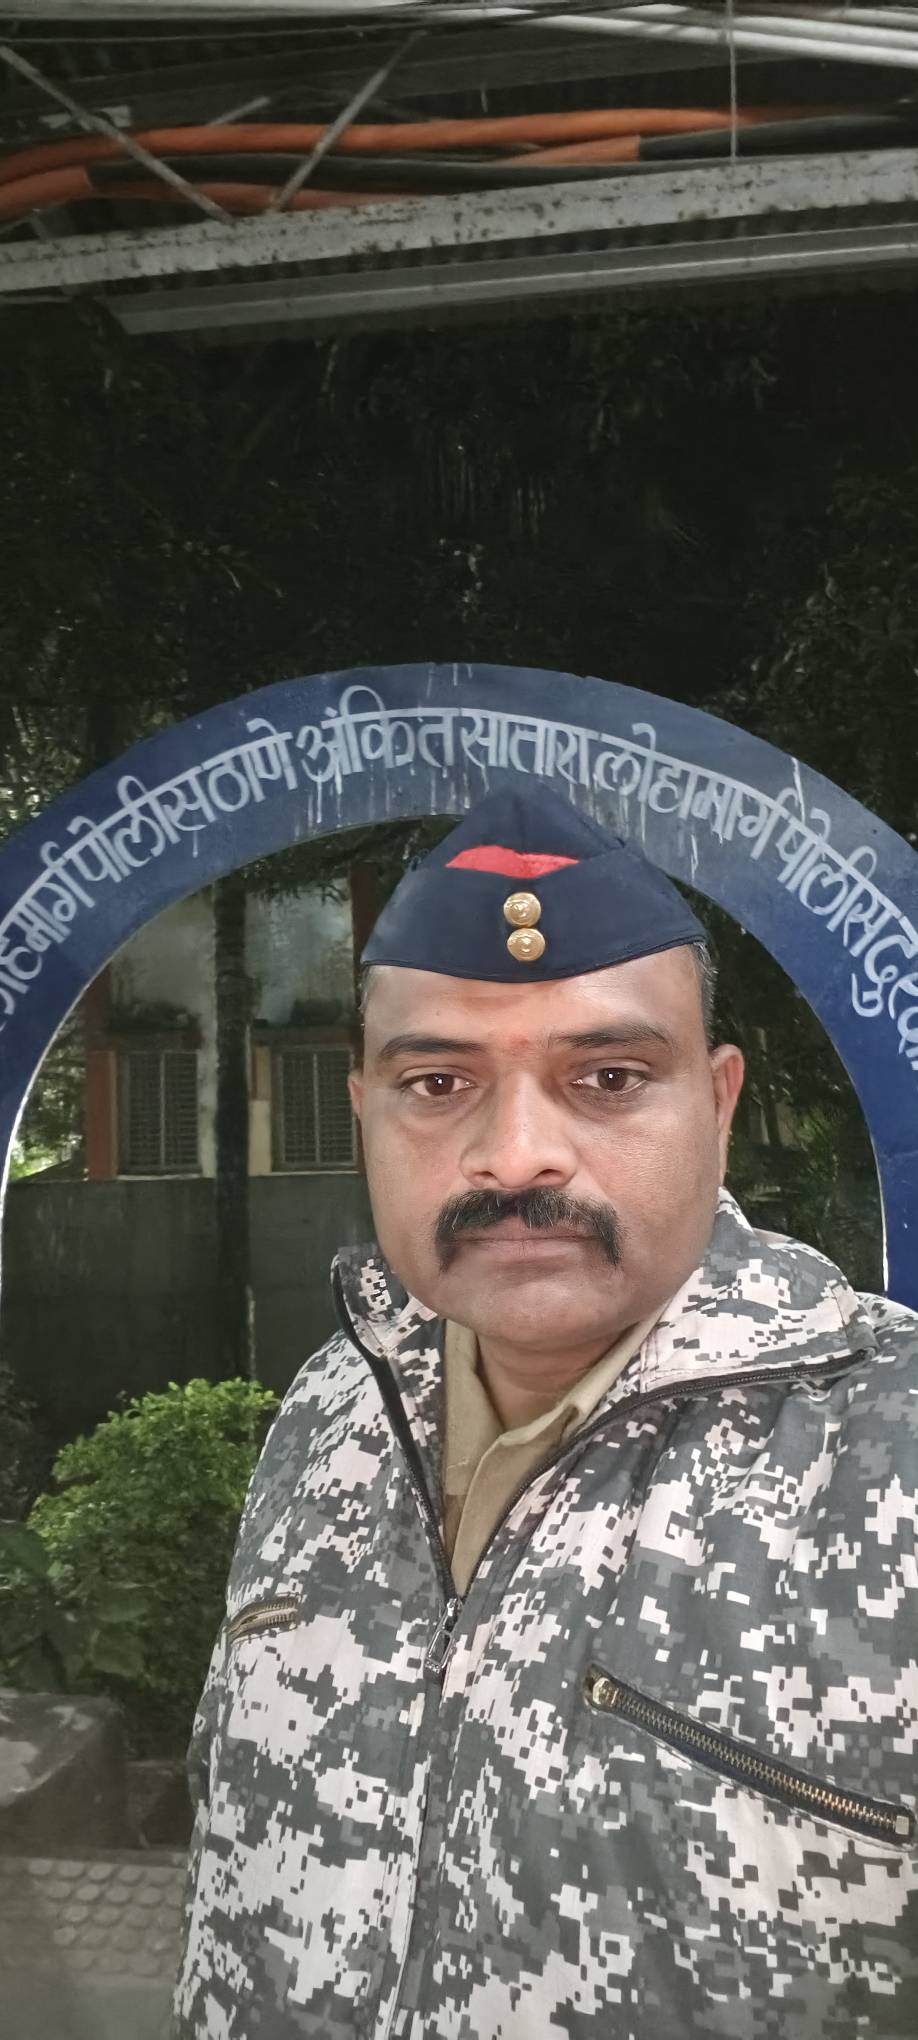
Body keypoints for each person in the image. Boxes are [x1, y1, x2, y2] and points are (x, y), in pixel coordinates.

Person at [173, 783, 918, 2040]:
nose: (517, 1155)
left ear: (719, 1105)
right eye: (438, 1082)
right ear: (364, 1112)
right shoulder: (332, 1405)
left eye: (610, 1076)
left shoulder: (887, 1454)